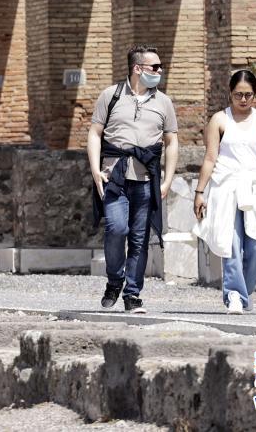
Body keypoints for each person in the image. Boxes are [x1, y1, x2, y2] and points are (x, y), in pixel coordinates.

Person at [88, 45, 179, 314]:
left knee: (140, 238)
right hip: (114, 176)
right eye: (155, 67)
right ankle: (114, 280)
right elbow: (95, 133)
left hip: (146, 178)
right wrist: (95, 170)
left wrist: (168, 179)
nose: (160, 71)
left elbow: (172, 141)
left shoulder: (164, 102)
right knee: (116, 229)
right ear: (138, 68)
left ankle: (132, 294)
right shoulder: (111, 95)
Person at [192, 69, 256, 314]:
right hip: (226, 188)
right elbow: (210, 158)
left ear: (255, 95)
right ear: (230, 94)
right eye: (238, 95)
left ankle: (244, 291)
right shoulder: (219, 120)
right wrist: (200, 192)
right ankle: (234, 295)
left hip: (254, 189)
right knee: (232, 242)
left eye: (248, 95)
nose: (243, 100)